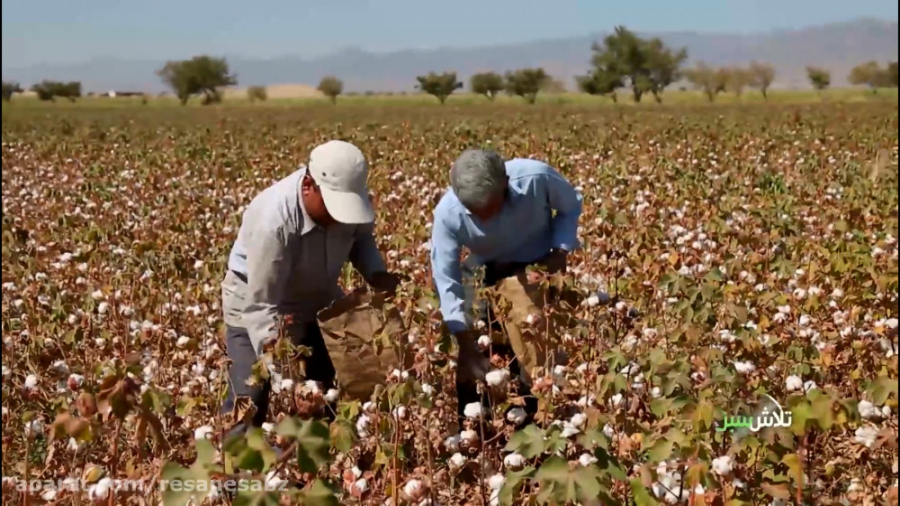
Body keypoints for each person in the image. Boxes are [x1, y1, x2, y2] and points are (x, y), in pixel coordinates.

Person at [221, 140, 401, 434]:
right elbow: (262, 305)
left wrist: (376, 273)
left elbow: (361, 237)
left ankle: (316, 467)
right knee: (249, 399)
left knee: (327, 386)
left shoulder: (347, 202)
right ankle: (233, 475)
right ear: (308, 185)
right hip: (255, 306)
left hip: (318, 298)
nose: (338, 217)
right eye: (333, 206)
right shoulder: (275, 221)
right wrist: (287, 378)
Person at [430, 149, 583, 424]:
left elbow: (571, 206)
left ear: (505, 184)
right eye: (477, 214)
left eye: (491, 207)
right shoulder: (448, 213)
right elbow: (447, 278)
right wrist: (463, 341)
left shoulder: (536, 178)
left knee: (535, 350)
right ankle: (475, 424)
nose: (486, 218)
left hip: (537, 265)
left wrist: (560, 251)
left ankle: (537, 416)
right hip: (486, 271)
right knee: (478, 350)